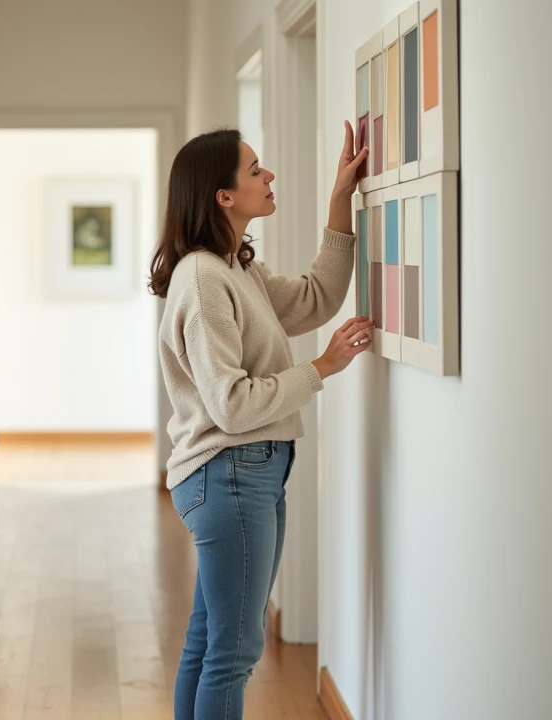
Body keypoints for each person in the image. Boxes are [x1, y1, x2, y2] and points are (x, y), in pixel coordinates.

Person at [149, 121, 373, 719]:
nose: (267, 175)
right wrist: (322, 367)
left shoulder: (234, 268)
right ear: (223, 196)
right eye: (254, 170)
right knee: (236, 650)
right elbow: (231, 404)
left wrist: (339, 202)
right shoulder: (202, 279)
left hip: (243, 474)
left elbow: (315, 299)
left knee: (210, 643)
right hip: (229, 474)